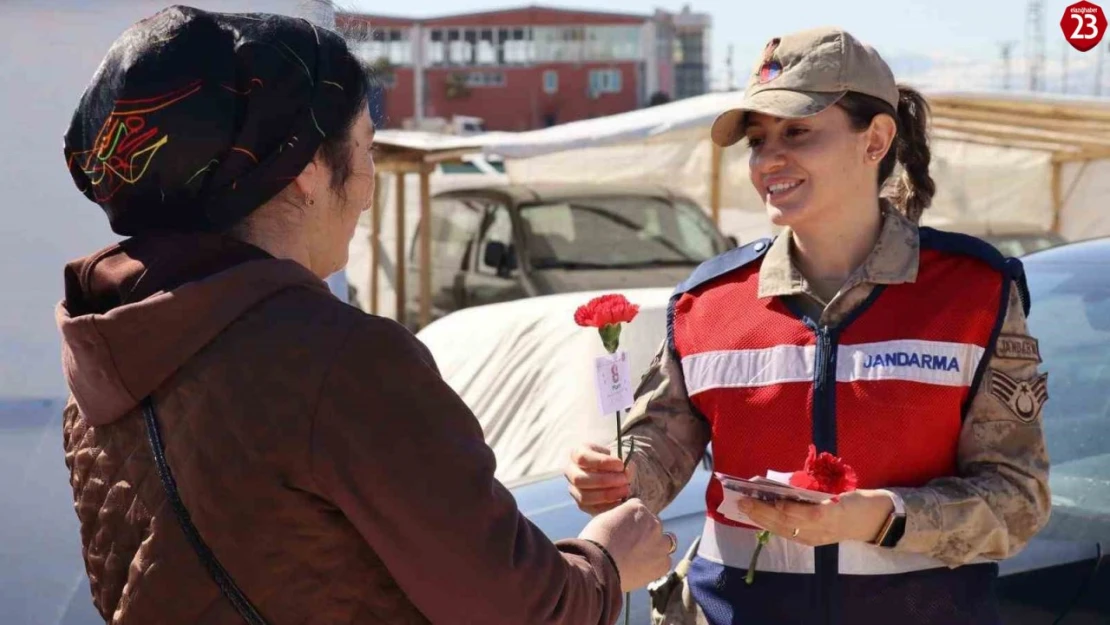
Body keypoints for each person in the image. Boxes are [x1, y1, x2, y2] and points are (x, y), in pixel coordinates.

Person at [57, 7, 674, 624]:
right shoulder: (338, 360)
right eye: (366, 148)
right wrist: (607, 560)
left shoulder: (105, 349)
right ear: (305, 173)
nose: (370, 186)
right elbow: (520, 609)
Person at [564, 26, 1051, 625]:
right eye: (757, 139)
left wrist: (882, 517)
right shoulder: (706, 303)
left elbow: (1019, 500)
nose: (769, 159)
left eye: (797, 132)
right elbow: (655, 458)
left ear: (874, 140)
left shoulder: (975, 293)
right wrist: (613, 477)